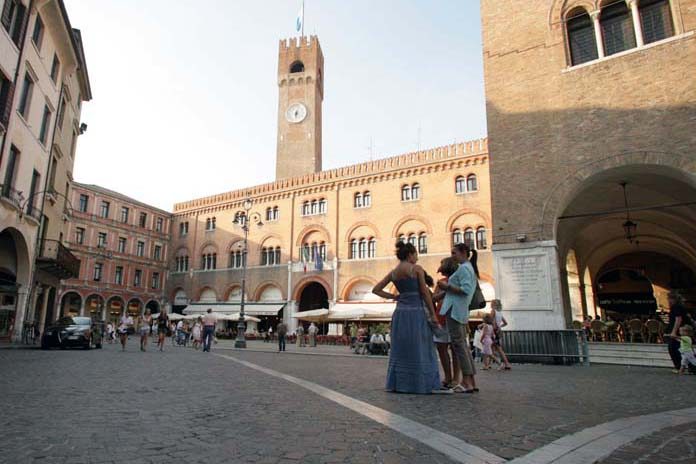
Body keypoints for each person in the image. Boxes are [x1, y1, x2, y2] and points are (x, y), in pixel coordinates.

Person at [372, 241, 445, 394]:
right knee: (420, 346)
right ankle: (420, 383)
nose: (417, 258)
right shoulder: (416, 269)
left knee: (402, 348)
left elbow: (376, 289)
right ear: (410, 254)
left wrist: (394, 296)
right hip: (416, 312)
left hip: (400, 313)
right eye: (416, 254)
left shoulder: (393, 272)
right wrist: (433, 314)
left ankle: (399, 383)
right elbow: (425, 293)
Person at [437, 242, 478, 393]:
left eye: (454, 253)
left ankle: (466, 382)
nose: (452, 256)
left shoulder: (464, 269)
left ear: (463, 252)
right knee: (463, 346)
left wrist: (446, 287)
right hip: (458, 309)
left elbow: (465, 290)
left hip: (455, 310)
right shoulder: (468, 268)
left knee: (459, 346)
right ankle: (471, 381)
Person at [432, 258, 461, 389]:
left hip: (455, 317)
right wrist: (444, 292)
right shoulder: (440, 283)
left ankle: (456, 378)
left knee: (456, 349)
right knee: (441, 348)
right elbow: (433, 298)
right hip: (441, 317)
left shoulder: (458, 281)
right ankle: (447, 377)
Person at [666, 291, 689, 371]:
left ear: (673, 299)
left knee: (673, 348)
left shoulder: (676, 307)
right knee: (680, 348)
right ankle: (683, 367)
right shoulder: (680, 306)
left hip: (680, 331)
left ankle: (679, 366)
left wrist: (674, 331)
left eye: (669, 299)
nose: (668, 301)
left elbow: (678, 319)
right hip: (682, 330)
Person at [490, 299, 512, 370]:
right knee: (492, 348)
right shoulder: (499, 312)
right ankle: (488, 364)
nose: (490, 304)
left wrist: (491, 330)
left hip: (494, 331)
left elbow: (490, 321)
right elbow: (505, 323)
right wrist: (500, 327)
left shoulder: (493, 311)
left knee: (498, 349)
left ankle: (506, 363)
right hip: (498, 331)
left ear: (493, 304)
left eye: (491, 303)